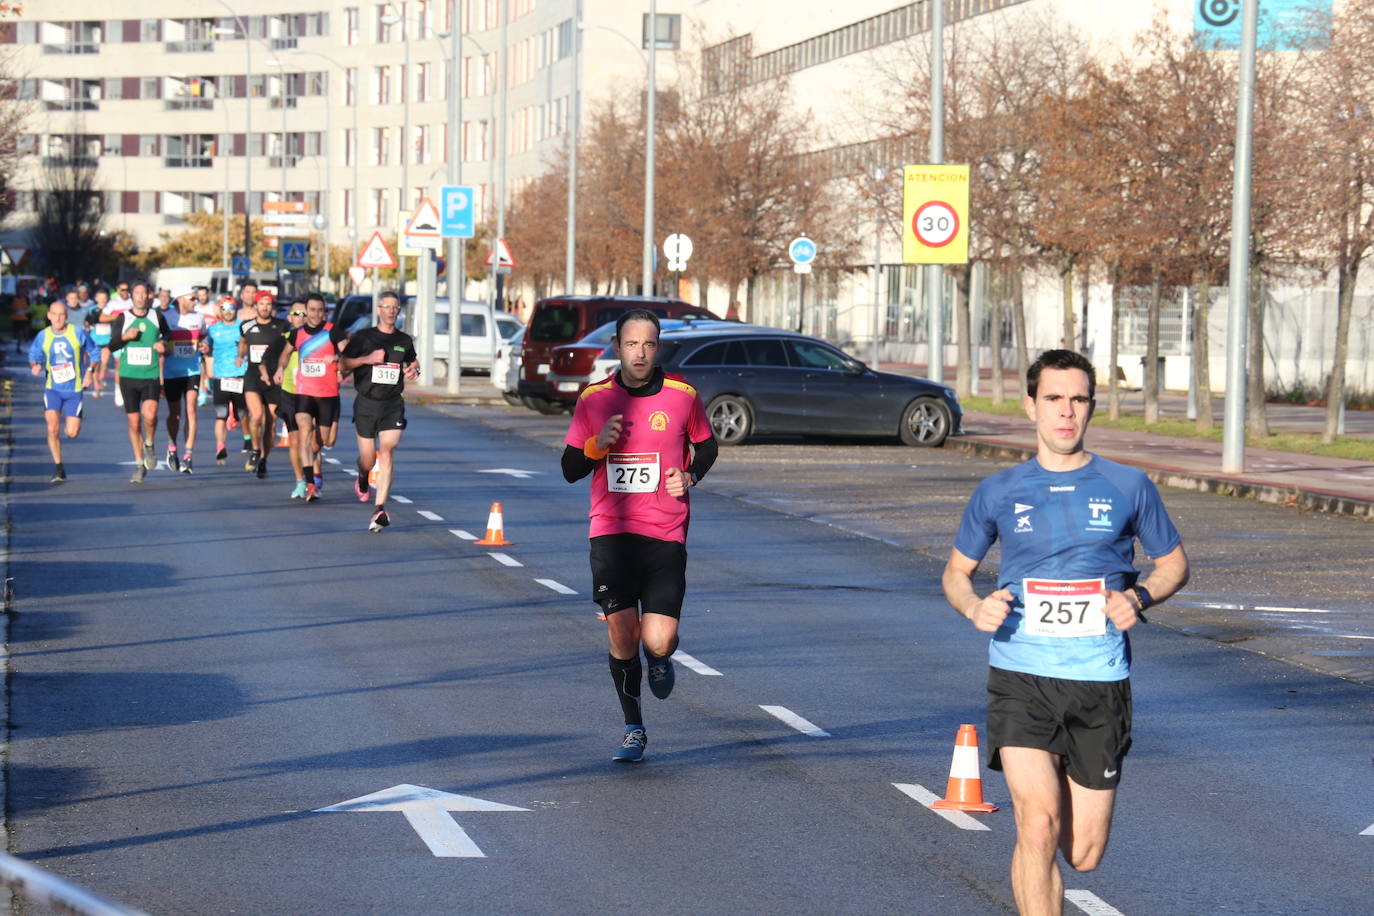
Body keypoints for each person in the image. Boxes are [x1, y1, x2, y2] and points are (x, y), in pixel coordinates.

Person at [940, 349, 1190, 916]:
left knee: (1083, 852)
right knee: (1037, 824)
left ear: (1091, 407)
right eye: (1053, 398)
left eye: (1078, 399)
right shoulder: (999, 490)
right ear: (1031, 406)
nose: (1066, 411)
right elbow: (956, 573)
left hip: (1099, 681)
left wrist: (1138, 597)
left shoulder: (1128, 485)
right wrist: (974, 607)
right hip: (1021, 674)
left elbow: (1174, 564)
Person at [560, 309, 718, 763]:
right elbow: (570, 469)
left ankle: (662, 659)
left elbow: (707, 446)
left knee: (658, 640)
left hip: (665, 532)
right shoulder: (594, 399)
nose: (640, 353)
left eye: (648, 344)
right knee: (622, 635)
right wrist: (597, 446)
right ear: (617, 348)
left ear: (658, 347)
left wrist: (689, 476)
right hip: (610, 532)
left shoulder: (683, 396)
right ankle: (634, 728)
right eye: (631, 344)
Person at [339, 291, 418, 532]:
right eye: (387, 307)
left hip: (392, 404)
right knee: (368, 460)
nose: (392, 311)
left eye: (395, 307)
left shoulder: (404, 340)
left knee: (387, 452)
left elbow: (412, 361)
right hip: (366, 403)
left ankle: (379, 509)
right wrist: (367, 359)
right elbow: (343, 364)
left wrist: (414, 370)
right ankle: (363, 476)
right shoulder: (364, 337)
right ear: (379, 310)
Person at [278, 293, 348, 501]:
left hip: (327, 394)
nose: (316, 314)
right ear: (306, 311)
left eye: (320, 310)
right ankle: (310, 484)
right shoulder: (296, 334)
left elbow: (349, 354)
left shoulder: (333, 331)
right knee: (304, 432)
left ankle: (312, 458)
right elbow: (285, 353)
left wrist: (336, 358)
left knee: (324, 441)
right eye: (312, 310)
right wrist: (280, 369)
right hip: (304, 393)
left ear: (325, 312)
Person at [107, 281, 172, 483]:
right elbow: (112, 345)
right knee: (134, 423)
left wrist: (162, 343)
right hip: (128, 376)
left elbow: (168, 335)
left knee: (150, 416)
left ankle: (149, 444)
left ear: (149, 296)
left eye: (144, 293)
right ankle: (138, 464)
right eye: (137, 293)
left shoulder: (157, 316)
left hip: (150, 374)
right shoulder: (123, 318)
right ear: (132, 295)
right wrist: (125, 337)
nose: (141, 297)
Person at [29, 300, 99, 482]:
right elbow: (34, 354)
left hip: (74, 390)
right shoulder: (43, 335)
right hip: (52, 389)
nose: (58, 318)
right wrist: (35, 364)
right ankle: (58, 467)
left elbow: (94, 352)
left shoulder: (77, 333)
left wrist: (89, 372)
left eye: (62, 315)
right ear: (49, 316)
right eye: (55, 314)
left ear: (67, 316)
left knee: (72, 433)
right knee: (52, 429)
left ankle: (72, 425)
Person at [237, 290, 290, 479]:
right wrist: (239, 356)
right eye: (261, 304)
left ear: (272, 306)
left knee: (270, 423)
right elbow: (243, 343)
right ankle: (255, 450)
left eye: (268, 304)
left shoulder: (282, 326)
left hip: (274, 378)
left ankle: (263, 460)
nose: (265, 308)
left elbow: (289, 348)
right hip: (253, 376)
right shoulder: (246, 325)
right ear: (256, 306)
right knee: (257, 415)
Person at [162, 284, 206, 473]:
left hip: (192, 371)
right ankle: (172, 447)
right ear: (180, 299)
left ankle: (188, 456)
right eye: (192, 298)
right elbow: (159, 340)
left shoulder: (199, 317)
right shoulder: (166, 317)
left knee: (191, 411)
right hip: (172, 372)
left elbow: (203, 337)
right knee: (175, 414)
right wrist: (164, 347)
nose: (196, 301)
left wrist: (204, 345)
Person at [202, 297, 248, 465]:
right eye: (224, 308)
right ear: (220, 311)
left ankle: (248, 439)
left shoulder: (243, 326)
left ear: (236, 309)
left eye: (231, 308)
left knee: (242, 412)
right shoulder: (213, 329)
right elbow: (207, 345)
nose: (228, 311)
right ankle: (220, 446)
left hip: (240, 375)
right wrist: (205, 348)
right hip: (221, 376)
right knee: (221, 414)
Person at [271, 301, 309, 497]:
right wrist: (276, 371)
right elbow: (267, 358)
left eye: (304, 313)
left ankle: (314, 476)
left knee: (312, 441)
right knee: (295, 441)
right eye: (296, 313)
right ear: (289, 317)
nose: (300, 317)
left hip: (312, 393)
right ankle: (301, 481)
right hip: (289, 393)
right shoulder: (283, 338)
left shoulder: (317, 338)